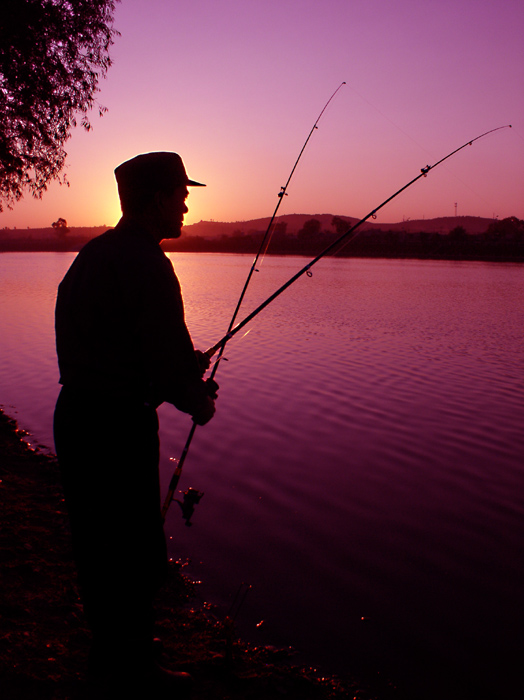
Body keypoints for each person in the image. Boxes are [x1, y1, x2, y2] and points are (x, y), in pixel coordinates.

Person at [53, 152, 218, 696]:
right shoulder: (148, 263)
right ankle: (135, 670)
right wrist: (198, 399)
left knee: (96, 545)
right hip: (116, 429)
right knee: (133, 551)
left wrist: (173, 371)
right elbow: (168, 369)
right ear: (155, 201)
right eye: (179, 193)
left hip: (76, 417)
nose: (187, 203)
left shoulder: (93, 255)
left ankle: (107, 658)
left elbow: (118, 345)